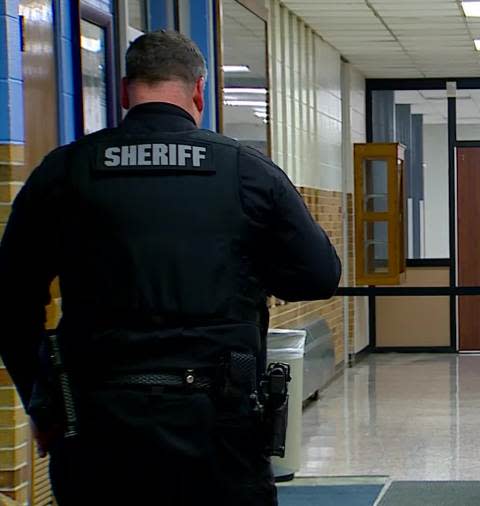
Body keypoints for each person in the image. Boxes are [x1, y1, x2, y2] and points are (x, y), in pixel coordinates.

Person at [0, 30, 341, 505]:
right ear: (198, 90)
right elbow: (320, 275)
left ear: (124, 91)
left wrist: (45, 403)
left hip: (97, 425)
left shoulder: (64, 172)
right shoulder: (245, 170)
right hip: (218, 429)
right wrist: (252, 267)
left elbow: (9, 301)